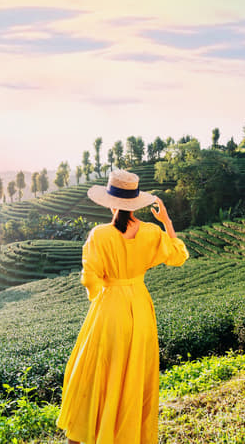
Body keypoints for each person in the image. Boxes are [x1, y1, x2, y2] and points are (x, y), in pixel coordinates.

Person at [56, 169, 189, 444]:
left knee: (93, 371)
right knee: (132, 375)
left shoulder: (100, 235)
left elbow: (90, 279)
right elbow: (178, 255)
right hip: (140, 309)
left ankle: (84, 435)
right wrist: (166, 221)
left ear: (111, 202)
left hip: (111, 308)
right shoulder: (152, 232)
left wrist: (106, 284)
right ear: (136, 201)